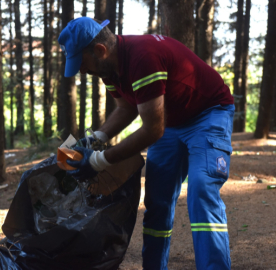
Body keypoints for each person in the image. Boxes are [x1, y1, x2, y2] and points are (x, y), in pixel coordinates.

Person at [58, 17, 234, 269]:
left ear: (100, 50)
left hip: (208, 113)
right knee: (157, 200)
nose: (82, 71)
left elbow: (152, 129)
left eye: (82, 63)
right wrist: (97, 138)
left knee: (201, 189)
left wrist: (98, 160)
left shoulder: (143, 59)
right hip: (172, 121)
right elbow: (126, 107)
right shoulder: (109, 68)